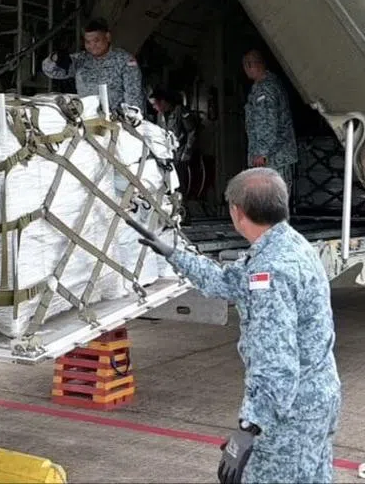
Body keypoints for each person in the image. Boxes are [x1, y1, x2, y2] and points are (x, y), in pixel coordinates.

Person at [130, 168, 341, 484]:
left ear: (237, 212)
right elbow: (227, 283)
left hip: (290, 413)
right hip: (315, 401)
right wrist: (175, 255)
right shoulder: (285, 245)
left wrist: (250, 427)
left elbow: (276, 363)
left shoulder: (271, 271)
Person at [42, 18, 144, 112]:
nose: (92, 46)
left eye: (96, 41)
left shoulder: (124, 60)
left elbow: (134, 96)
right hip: (86, 118)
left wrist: (132, 119)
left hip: (115, 121)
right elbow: (51, 72)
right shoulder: (81, 59)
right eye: (88, 42)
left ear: (107, 37)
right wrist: (55, 58)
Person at [242, 50, 298, 196]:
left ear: (251, 65)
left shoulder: (265, 89)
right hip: (275, 156)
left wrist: (261, 152)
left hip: (272, 158)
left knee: (271, 199)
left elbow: (266, 122)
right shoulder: (270, 84)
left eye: (246, 66)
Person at [149, 89, 198, 164]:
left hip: (181, 156)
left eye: (154, 104)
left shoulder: (180, 111)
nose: (153, 107)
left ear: (162, 102)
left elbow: (192, 132)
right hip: (166, 156)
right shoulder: (160, 115)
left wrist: (187, 152)